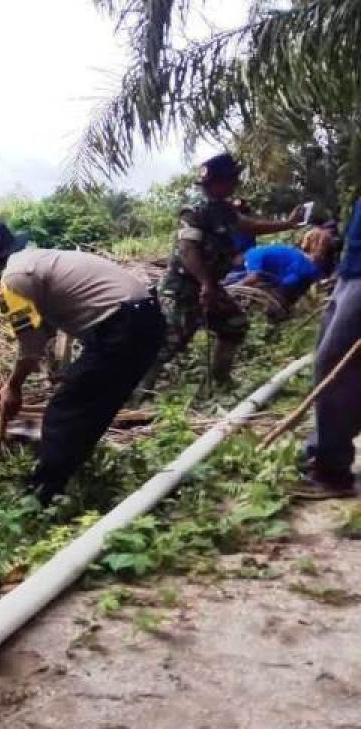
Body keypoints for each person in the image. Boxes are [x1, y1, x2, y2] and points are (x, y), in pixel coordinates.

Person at [0, 221, 166, 504]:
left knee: (64, 411)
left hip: (122, 327)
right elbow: (45, 330)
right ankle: (65, 481)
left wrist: (13, 387)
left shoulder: (14, 278)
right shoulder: (38, 261)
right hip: (144, 320)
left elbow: (31, 345)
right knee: (89, 407)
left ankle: (41, 494)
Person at [154, 153, 305, 385]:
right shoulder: (194, 213)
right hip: (183, 289)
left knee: (234, 325)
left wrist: (288, 223)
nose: (235, 183)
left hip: (210, 286)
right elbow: (187, 251)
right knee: (169, 344)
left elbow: (251, 225)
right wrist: (205, 283)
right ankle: (133, 393)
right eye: (231, 179)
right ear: (217, 183)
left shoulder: (224, 211)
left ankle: (220, 379)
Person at [297, 197, 361, 499]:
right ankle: (322, 450)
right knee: (331, 363)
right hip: (350, 272)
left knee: (335, 367)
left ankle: (330, 469)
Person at [225, 227, 336, 307]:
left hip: (296, 274)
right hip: (303, 271)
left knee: (275, 304)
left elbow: (254, 277)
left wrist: (232, 290)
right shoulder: (255, 253)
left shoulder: (251, 255)